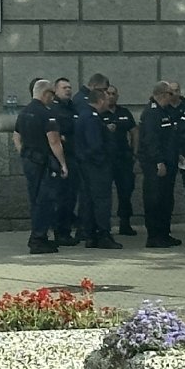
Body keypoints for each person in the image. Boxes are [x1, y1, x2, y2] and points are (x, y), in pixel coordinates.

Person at [15, 80, 67, 254]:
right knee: (44, 201)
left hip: (30, 161)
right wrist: (63, 164)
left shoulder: (24, 112)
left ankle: (39, 237)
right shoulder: (47, 113)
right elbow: (54, 141)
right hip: (44, 163)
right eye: (52, 94)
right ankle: (38, 239)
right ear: (46, 94)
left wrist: (27, 153)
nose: (53, 98)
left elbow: (17, 137)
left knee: (35, 200)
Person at [74, 89, 121, 250]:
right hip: (96, 167)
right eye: (107, 99)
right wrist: (104, 161)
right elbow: (95, 145)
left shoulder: (85, 115)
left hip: (87, 166)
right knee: (101, 201)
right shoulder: (92, 118)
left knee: (88, 200)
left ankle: (90, 235)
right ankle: (103, 235)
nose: (109, 102)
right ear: (100, 101)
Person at [138, 81, 181, 249]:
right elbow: (151, 140)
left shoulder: (165, 112)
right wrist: (158, 161)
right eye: (171, 93)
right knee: (154, 199)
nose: (173, 97)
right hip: (155, 164)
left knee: (166, 200)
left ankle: (164, 233)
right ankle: (154, 236)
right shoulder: (151, 113)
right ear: (163, 94)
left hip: (168, 163)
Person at [101, 86, 139, 236]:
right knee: (104, 194)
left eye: (113, 94)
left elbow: (134, 131)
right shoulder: (99, 113)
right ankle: (104, 226)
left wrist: (134, 151)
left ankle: (125, 223)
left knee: (125, 191)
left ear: (117, 96)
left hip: (123, 159)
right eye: (108, 94)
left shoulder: (124, 113)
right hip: (106, 160)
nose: (110, 96)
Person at [50, 77, 81, 247]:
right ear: (56, 90)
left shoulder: (72, 108)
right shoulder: (54, 109)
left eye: (69, 87)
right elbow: (57, 136)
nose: (68, 90)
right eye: (64, 87)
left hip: (75, 157)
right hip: (62, 158)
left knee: (70, 197)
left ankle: (66, 230)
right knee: (62, 197)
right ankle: (60, 232)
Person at [168, 81, 185, 232]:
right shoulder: (163, 108)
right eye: (170, 91)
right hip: (170, 154)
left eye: (176, 90)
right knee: (166, 190)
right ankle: (166, 224)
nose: (174, 93)